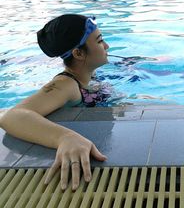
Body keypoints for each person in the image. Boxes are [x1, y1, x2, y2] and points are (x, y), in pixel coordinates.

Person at [0, 14, 110, 191]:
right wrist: (65, 137)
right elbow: (11, 117)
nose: (106, 46)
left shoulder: (87, 74)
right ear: (79, 53)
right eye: (99, 41)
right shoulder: (65, 85)